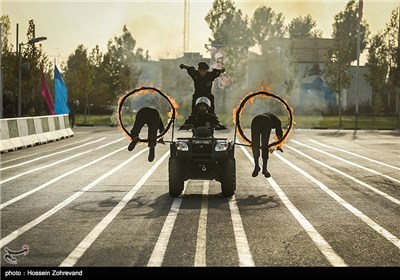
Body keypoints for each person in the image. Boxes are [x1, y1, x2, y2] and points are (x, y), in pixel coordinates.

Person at [250, 113, 283, 178]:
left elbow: (279, 135)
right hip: (266, 121)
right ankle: (264, 169)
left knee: (255, 145)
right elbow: (279, 135)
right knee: (265, 145)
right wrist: (279, 146)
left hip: (255, 120)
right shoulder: (277, 121)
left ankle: (257, 166)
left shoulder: (272, 118)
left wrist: (277, 145)